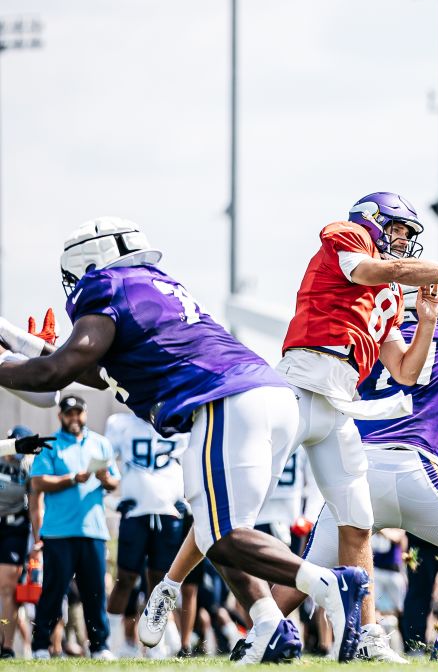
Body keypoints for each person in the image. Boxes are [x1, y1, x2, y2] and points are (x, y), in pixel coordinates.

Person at [0, 216, 367, 663]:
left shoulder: (108, 286)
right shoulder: (150, 286)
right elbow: (91, 374)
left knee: (223, 534)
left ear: (89, 263)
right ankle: (269, 624)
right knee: (217, 524)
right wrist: (21, 346)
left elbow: (57, 372)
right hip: (265, 395)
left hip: (226, 400)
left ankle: (328, 583)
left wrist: (19, 362)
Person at [270, 192, 438, 662]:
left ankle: (364, 636)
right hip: (300, 381)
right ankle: (173, 583)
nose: (402, 242)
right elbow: (379, 270)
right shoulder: (344, 237)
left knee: (358, 523)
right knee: (236, 496)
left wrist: (426, 320)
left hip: (340, 403)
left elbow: (406, 371)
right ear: (371, 222)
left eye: (408, 235)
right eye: (398, 231)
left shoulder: (388, 300)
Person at [26, 395, 119, 659]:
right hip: (58, 532)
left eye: (79, 413)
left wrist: (105, 478)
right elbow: (38, 483)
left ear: (85, 414)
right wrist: (72, 479)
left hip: (93, 530)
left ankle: (100, 646)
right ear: (61, 416)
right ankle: (40, 646)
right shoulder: (50, 445)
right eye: (69, 414)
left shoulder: (101, 443)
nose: (75, 418)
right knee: (53, 593)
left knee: (95, 593)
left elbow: (114, 483)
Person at [103, 412, 188, 658]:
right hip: (136, 513)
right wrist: (113, 492)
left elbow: (193, 459)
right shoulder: (120, 423)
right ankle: (106, 642)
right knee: (125, 579)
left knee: (162, 584)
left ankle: (155, 644)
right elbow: (105, 461)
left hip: (168, 512)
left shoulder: (180, 419)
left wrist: (185, 497)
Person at [0, 426, 50, 657]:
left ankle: (8, 647)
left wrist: (38, 540)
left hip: (14, 526)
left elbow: (35, 505)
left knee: (8, 585)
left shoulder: (28, 465)